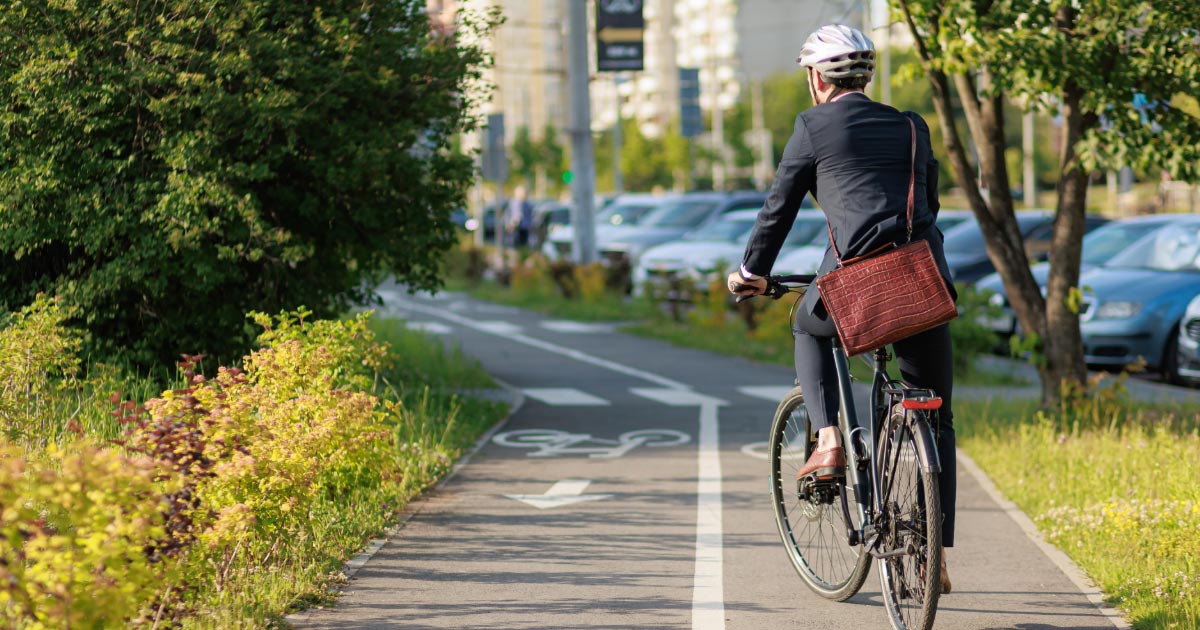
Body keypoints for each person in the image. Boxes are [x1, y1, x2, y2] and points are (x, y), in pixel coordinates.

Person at [726, 24, 957, 593]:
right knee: (935, 414)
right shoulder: (912, 126)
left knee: (807, 322)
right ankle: (934, 557)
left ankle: (827, 437)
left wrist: (752, 273)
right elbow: (926, 203)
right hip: (924, 281)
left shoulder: (812, 126)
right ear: (864, 77)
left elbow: (778, 207)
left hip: (857, 282)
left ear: (816, 78)